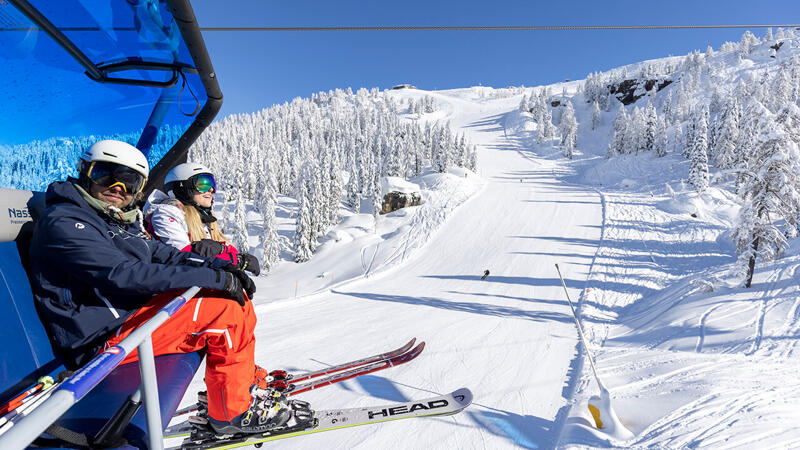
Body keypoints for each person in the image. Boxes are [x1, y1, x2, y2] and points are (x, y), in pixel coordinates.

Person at [28, 140, 292, 434]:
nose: (117, 187)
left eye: (129, 182)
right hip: (101, 342)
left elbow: (164, 254)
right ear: (84, 171)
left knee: (232, 298)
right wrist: (214, 279)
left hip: (128, 322)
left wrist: (216, 267)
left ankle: (239, 386)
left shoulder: (115, 221)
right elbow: (121, 273)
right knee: (224, 314)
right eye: (105, 174)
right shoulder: (65, 221)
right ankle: (231, 413)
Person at [142, 162, 259, 275]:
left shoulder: (203, 219)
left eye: (212, 184)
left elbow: (228, 250)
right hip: (169, 286)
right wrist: (234, 260)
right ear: (183, 188)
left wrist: (229, 255)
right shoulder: (165, 213)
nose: (211, 189)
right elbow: (185, 256)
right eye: (203, 184)